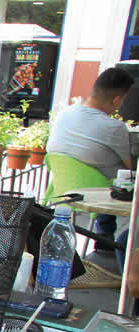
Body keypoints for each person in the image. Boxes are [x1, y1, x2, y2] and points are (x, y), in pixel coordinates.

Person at [47, 67, 135, 253]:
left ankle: (105, 244)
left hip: (63, 187)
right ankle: (109, 245)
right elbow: (130, 167)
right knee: (124, 179)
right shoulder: (114, 127)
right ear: (116, 99)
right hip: (100, 194)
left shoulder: (65, 114)